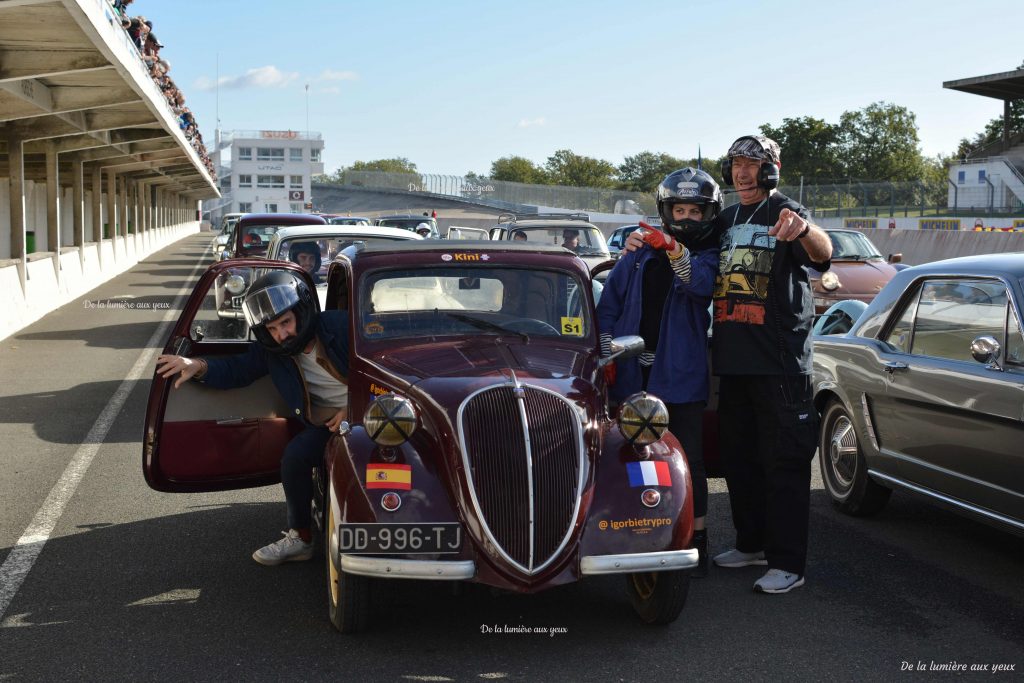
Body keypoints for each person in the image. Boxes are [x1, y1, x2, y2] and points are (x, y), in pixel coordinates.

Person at [155, 271, 349, 566]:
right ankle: (302, 537)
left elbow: (390, 369)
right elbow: (238, 369)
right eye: (271, 328)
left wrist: (359, 406)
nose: (281, 334)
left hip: (378, 415)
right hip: (328, 427)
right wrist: (197, 365)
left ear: (302, 310)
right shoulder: (274, 352)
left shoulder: (342, 326)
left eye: (286, 322)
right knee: (294, 456)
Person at [711, 135, 832, 594]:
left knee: (783, 463)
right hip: (734, 362)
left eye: (752, 164)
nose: (742, 172)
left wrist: (802, 230)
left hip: (780, 363)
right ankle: (752, 544)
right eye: (736, 164)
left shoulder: (787, 210)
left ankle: (788, 563)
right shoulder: (726, 217)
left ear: (771, 169)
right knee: (739, 461)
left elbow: (823, 256)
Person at [596, 167, 723, 577]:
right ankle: (630, 534)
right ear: (666, 210)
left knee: (687, 461)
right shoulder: (637, 254)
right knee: (627, 456)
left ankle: (695, 539)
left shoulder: (709, 255)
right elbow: (608, 307)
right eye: (679, 209)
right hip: (632, 371)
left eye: (695, 211)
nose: (686, 217)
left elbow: (699, 285)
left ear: (708, 215)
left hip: (681, 376)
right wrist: (606, 358)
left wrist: (673, 248)